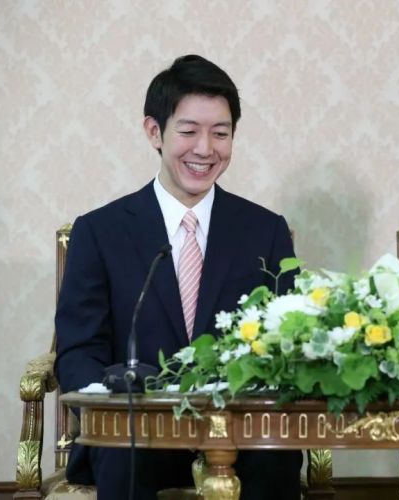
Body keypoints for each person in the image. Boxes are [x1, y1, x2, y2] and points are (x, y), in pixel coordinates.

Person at [55, 55, 302, 500]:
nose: (205, 149)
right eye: (189, 131)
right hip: (137, 430)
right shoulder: (100, 231)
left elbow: (288, 343)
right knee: (124, 450)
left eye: (221, 133)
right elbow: (79, 349)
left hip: (239, 430)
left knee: (276, 454)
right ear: (155, 131)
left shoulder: (265, 231)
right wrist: (111, 406)